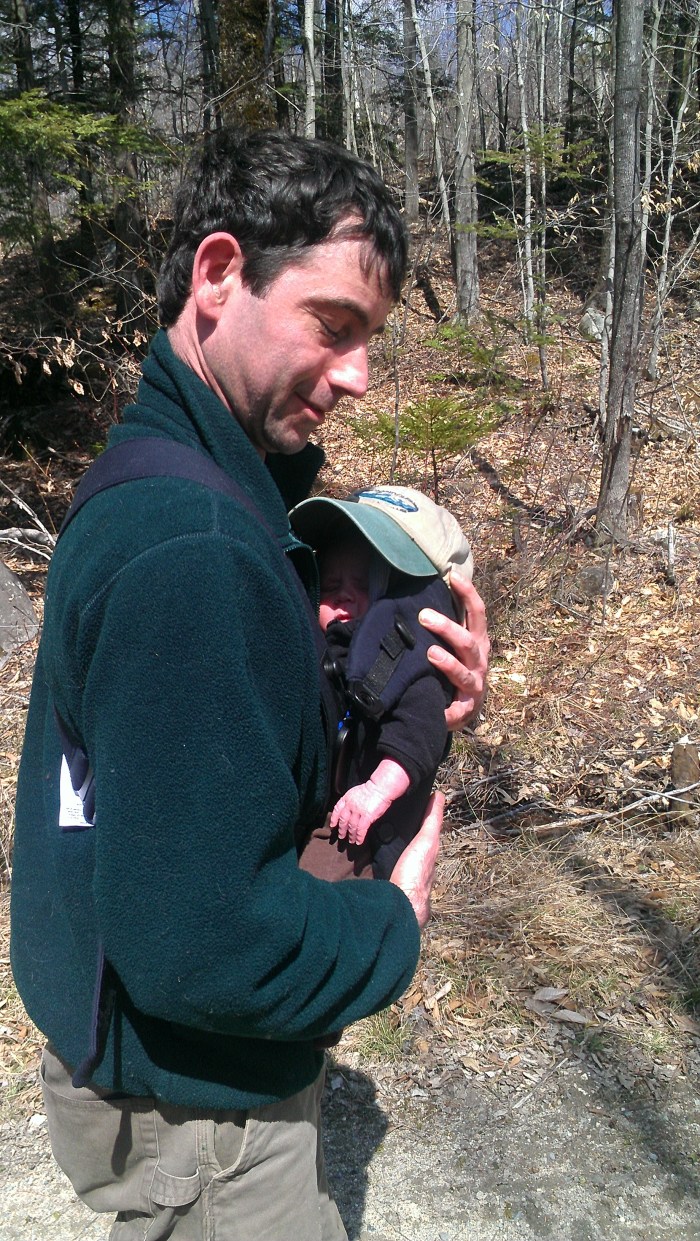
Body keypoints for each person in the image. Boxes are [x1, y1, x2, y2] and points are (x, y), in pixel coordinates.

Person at [10, 128, 489, 1241]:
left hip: (156, 1071)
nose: (360, 374)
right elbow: (207, 940)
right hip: (199, 1115)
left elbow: (223, 772)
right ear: (218, 273)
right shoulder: (196, 546)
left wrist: (405, 718)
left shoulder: (176, 487)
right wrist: (391, 922)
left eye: (369, 339)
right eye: (334, 326)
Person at [291, 485, 474, 881]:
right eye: (330, 586)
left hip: (356, 830)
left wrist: (376, 790)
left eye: (364, 587)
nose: (344, 600)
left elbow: (418, 729)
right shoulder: (310, 642)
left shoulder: (404, 663)